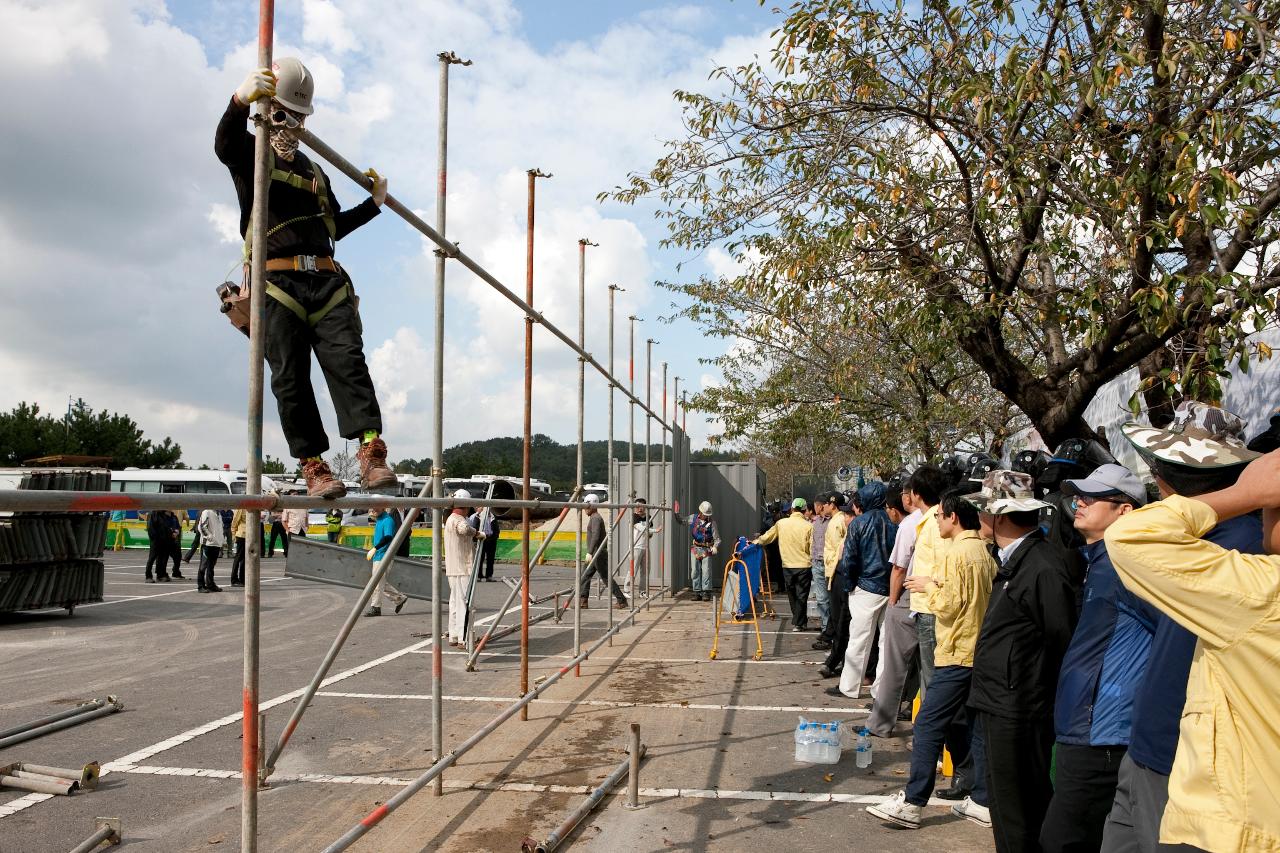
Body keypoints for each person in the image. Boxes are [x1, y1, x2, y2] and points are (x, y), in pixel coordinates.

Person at [217, 59, 398, 499]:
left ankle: (370, 450)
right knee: (290, 378)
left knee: (348, 362)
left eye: (298, 116)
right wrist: (238, 102)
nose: (291, 124)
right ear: (268, 110)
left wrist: (373, 204)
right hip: (278, 284)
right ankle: (313, 466)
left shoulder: (315, 172)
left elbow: (332, 225)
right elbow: (224, 145)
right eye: (282, 113)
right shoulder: (252, 156)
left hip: (325, 280)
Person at [1099, 402, 1266, 853]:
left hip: (1185, 762)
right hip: (1150, 746)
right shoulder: (1203, 538)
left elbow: (1129, 534)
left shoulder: (1242, 545)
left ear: (1163, 474)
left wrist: (1240, 497)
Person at [965, 470, 1084, 853]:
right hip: (1002, 702)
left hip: (1019, 709)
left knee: (1020, 814)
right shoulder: (1017, 561)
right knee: (1007, 809)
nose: (979, 518)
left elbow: (1063, 639)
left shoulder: (1042, 567)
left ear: (998, 516)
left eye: (984, 510)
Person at [867, 487, 998, 829]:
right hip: (975, 650)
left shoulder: (958, 553)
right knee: (973, 725)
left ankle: (912, 802)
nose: (936, 522)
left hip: (957, 651)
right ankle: (982, 799)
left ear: (953, 517)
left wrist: (929, 587)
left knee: (926, 724)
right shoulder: (983, 550)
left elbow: (951, 605)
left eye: (939, 516)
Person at [1039, 463, 1147, 853]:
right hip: (1081, 728)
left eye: (1094, 496)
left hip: (1103, 734)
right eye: (1080, 494)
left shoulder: (1129, 565)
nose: (1079, 502)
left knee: (1061, 841)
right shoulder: (1097, 561)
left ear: (1125, 510)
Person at [865, 480, 925, 736]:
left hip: (911, 595)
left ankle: (880, 724)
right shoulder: (937, 518)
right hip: (935, 595)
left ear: (912, 496)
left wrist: (892, 602)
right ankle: (923, 727)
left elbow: (899, 568)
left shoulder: (912, 523)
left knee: (895, 664)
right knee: (928, 670)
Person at [829, 481, 894, 699]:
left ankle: (849, 687)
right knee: (886, 644)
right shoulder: (895, 521)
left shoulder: (859, 524)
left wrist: (849, 586)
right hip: (892, 587)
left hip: (865, 587)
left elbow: (849, 560)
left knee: (858, 640)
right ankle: (880, 691)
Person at [908, 464, 951, 698]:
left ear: (916, 494)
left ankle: (930, 731)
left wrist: (929, 583)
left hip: (931, 608)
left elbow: (948, 563)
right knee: (927, 672)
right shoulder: (929, 520)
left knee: (932, 675)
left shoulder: (937, 522)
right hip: (926, 606)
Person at [754, 498, 814, 631]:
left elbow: (767, 537)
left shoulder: (781, 524)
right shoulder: (809, 526)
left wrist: (755, 541)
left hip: (787, 565)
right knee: (802, 595)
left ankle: (799, 621)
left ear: (792, 509)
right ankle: (799, 622)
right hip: (804, 565)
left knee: (792, 595)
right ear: (804, 511)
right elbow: (812, 548)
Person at [444, 490, 485, 646]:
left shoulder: (449, 519)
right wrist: (477, 533)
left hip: (453, 568)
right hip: (463, 567)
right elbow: (464, 529)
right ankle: (465, 638)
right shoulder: (459, 520)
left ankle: (454, 635)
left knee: (454, 602)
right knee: (466, 603)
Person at [814, 492, 852, 653]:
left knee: (837, 611)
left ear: (833, 505)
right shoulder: (835, 520)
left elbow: (838, 549)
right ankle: (831, 637)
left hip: (835, 569)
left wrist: (833, 565)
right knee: (834, 609)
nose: (824, 507)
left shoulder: (838, 522)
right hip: (832, 568)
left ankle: (837, 646)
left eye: (827, 504)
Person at [579, 494, 628, 609]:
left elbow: (595, 536)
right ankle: (583, 601)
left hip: (597, 553)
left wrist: (590, 552)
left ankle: (622, 600)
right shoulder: (594, 517)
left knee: (605, 578)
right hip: (597, 552)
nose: (585, 509)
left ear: (592, 506)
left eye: (587, 506)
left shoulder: (596, 518)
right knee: (585, 576)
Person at [362, 502, 408, 618]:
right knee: (379, 582)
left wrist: (375, 548)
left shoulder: (387, 520)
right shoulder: (380, 519)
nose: (374, 509)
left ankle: (376, 607)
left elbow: (388, 537)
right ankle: (399, 598)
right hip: (379, 555)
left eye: (376, 506)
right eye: (373, 507)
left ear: (383, 507)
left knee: (377, 582)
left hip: (384, 555)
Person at [686, 500, 721, 602]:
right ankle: (697, 592)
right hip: (696, 549)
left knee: (706, 571)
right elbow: (682, 521)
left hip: (707, 549)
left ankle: (706, 592)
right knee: (695, 571)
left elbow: (717, 539)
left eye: (708, 515)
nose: (707, 516)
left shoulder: (712, 523)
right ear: (700, 512)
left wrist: (715, 547)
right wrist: (676, 513)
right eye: (705, 514)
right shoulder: (693, 518)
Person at [809, 494, 831, 630]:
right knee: (821, 599)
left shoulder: (834, 521)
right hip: (817, 563)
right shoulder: (815, 522)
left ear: (819, 506)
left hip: (829, 564)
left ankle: (831, 628)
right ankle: (825, 627)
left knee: (831, 598)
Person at [196, 508, 226, 593]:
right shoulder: (206, 512)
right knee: (203, 566)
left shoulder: (219, 514)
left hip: (216, 544)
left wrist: (221, 540)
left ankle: (210, 584)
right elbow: (202, 527)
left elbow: (220, 528)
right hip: (207, 544)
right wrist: (210, 537)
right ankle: (200, 586)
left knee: (211, 566)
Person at [469, 508, 499, 582]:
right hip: (481, 539)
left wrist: (495, 536)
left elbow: (496, 529)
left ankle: (489, 576)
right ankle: (479, 576)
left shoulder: (493, 517)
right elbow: (475, 528)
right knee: (480, 558)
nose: (488, 510)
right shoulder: (478, 517)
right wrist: (476, 539)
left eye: (489, 508)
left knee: (490, 559)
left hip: (491, 540)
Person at [230, 508, 249, 587]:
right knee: (238, 558)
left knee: (245, 559)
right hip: (241, 535)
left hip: (250, 535)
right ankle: (234, 579)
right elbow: (235, 521)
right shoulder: (241, 507)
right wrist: (234, 534)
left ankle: (242, 578)